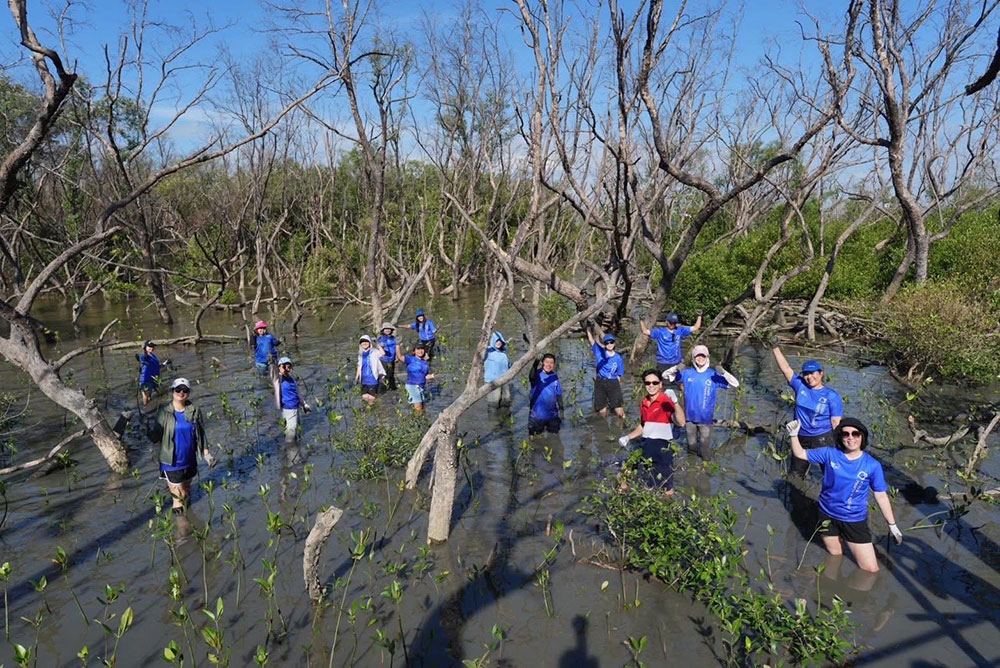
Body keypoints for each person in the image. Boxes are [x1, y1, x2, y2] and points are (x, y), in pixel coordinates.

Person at [786, 417, 902, 572]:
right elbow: (800, 453)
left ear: (862, 437)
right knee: (835, 555)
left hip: (854, 520)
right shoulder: (829, 454)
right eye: (845, 434)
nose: (850, 438)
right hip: (827, 515)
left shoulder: (872, 465)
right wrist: (794, 435)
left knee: (870, 569)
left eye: (855, 434)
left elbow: (881, 496)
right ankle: (833, 584)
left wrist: (892, 525)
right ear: (840, 437)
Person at [771, 340, 843, 477]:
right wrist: (775, 347)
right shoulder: (800, 386)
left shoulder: (831, 396)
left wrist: (841, 445)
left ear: (821, 373)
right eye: (806, 374)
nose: (809, 377)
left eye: (812, 373)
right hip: (801, 437)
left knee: (831, 474)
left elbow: (836, 422)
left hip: (823, 439)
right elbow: (786, 369)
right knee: (796, 475)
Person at [663, 345, 739, 460]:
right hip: (689, 419)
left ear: (707, 357)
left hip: (705, 420)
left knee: (705, 451)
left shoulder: (713, 374)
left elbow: (735, 384)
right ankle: (692, 467)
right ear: (693, 358)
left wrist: (724, 372)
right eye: (697, 356)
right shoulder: (687, 373)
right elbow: (665, 375)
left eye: (703, 356)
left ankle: (705, 468)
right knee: (691, 447)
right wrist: (676, 368)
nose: (700, 358)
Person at [151, 378, 215, 511]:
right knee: (179, 497)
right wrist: (146, 428)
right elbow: (155, 437)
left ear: (189, 393)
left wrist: (206, 452)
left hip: (189, 460)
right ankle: (181, 523)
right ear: (172, 391)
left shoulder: (194, 410)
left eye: (185, 390)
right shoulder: (164, 412)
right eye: (178, 389)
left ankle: (189, 516)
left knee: (186, 491)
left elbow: (200, 433)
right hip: (171, 463)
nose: (181, 393)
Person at [619, 369, 686, 495]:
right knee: (637, 478)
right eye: (648, 383)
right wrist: (628, 437)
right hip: (646, 445)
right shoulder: (644, 402)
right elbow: (643, 425)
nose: (651, 386)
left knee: (666, 488)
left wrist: (676, 403)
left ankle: (667, 504)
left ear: (660, 384)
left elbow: (681, 422)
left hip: (663, 449)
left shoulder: (666, 400)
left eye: (655, 383)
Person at [586, 327, 625, 420]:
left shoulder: (618, 358)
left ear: (614, 343)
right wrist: (588, 329)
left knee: (618, 408)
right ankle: (603, 426)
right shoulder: (600, 352)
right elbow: (591, 341)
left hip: (613, 382)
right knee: (602, 409)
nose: (609, 344)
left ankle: (623, 425)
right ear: (604, 344)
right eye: (607, 343)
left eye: (611, 342)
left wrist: (616, 387)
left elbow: (620, 375)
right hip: (600, 382)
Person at [274, 356, 309, 442]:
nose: (287, 369)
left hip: (295, 408)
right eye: (285, 367)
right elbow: (273, 374)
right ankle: (290, 448)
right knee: (291, 433)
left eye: (289, 367)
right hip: (288, 409)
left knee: (297, 431)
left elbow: (297, 393)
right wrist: (275, 366)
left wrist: (304, 404)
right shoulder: (278, 379)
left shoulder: (291, 379)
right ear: (279, 367)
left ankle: (297, 446)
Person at [528, 354, 563, 435]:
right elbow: (531, 376)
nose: (549, 365)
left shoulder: (555, 376)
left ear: (554, 364)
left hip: (553, 416)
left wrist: (561, 410)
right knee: (535, 440)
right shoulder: (537, 374)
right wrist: (536, 362)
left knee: (555, 439)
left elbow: (559, 394)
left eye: (551, 363)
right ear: (542, 363)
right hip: (537, 417)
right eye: (546, 362)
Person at [397, 342, 434, 412]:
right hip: (412, 386)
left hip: (421, 387)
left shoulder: (424, 362)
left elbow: (425, 376)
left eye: (422, 349)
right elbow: (400, 357)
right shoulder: (410, 359)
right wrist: (397, 345)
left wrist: (432, 376)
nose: (420, 351)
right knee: (418, 408)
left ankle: (417, 418)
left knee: (423, 408)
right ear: (414, 351)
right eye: (418, 349)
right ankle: (416, 418)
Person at [356, 335, 386, 406]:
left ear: (370, 342)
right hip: (364, 379)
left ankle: (373, 409)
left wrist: (377, 344)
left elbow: (383, 353)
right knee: (364, 396)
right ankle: (374, 406)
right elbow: (359, 366)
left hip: (372, 378)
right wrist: (357, 377)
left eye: (366, 342)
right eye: (362, 342)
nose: (364, 343)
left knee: (371, 398)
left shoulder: (374, 352)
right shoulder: (360, 353)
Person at [483, 331, 511, 407]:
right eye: (496, 340)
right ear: (493, 341)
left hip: (504, 381)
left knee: (506, 402)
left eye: (500, 341)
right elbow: (481, 355)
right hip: (492, 382)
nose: (498, 342)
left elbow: (508, 366)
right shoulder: (488, 351)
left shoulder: (503, 353)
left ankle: (505, 414)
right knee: (493, 404)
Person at [138, 340, 161, 406]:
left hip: (153, 379)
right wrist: (145, 353)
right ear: (145, 347)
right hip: (145, 380)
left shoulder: (153, 356)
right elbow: (143, 359)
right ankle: (145, 408)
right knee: (145, 396)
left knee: (149, 397)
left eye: (153, 346)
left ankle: (150, 408)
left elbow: (157, 366)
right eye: (149, 346)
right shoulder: (144, 356)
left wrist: (165, 364)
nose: (152, 348)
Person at [377, 323, 398, 391]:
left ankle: (392, 388)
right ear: (383, 330)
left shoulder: (394, 338)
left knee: (391, 375)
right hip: (383, 360)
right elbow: (378, 348)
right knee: (384, 375)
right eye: (386, 329)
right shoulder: (381, 338)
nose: (388, 330)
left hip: (392, 359)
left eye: (389, 329)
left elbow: (396, 348)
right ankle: (383, 390)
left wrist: (397, 357)